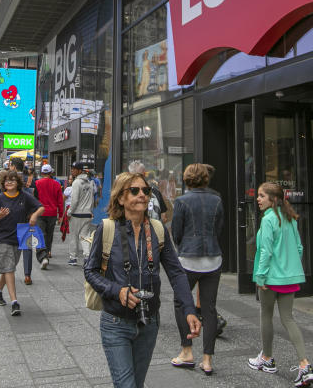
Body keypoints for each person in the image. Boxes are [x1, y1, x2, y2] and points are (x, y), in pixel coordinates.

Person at [84, 171, 202, 388]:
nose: (142, 195)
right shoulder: (107, 228)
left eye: (146, 191)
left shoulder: (157, 230)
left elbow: (176, 272)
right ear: (121, 198)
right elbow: (90, 271)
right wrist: (116, 291)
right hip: (115, 322)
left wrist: (189, 309)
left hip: (149, 323)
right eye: (135, 191)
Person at [247, 182, 313, 387]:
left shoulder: (268, 220)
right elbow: (299, 247)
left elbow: (266, 252)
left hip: (270, 278)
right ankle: (304, 364)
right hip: (290, 277)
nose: (258, 199)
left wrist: (260, 276)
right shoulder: (290, 219)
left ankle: (267, 359)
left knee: (266, 315)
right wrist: (290, 267)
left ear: (273, 199)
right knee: (288, 318)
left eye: (262, 196)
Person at [170, 163, 224, 375]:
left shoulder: (182, 201)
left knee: (181, 302)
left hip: (188, 260)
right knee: (209, 309)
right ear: (205, 178)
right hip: (213, 259)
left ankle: (187, 351)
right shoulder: (217, 199)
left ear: (186, 179)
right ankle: (208, 360)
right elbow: (219, 229)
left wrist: (183, 247)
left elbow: (176, 232)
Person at [0, 169, 43, 316]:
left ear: (18, 183)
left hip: (20, 236)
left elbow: (41, 207)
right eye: (7, 180)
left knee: (8, 267)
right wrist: (0, 215)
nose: (10, 182)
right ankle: (14, 302)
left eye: (13, 180)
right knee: (10, 268)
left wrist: (34, 215)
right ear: (3, 183)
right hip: (3, 237)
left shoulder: (25, 196)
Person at [9, 157, 35, 283]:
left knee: (9, 246)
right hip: (26, 216)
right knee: (27, 246)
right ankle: (27, 275)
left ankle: (9, 273)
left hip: (12, 217)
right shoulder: (30, 179)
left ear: (13, 166)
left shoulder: (9, 179)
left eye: (10, 166)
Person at [34, 163, 64, 269]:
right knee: (49, 235)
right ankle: (47, 253)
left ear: (42, 173)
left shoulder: (37, 183)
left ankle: (43, 257)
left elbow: (34, 199)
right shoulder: (56, 184)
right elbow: (60, 201)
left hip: (40, 212)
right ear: (51, 173)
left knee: (40, 235)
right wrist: (61, 215)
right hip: (52, 213)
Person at [67, 161, 96, 265]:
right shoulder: (89, 182)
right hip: (87, 214)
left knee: (73, 236)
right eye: (72, 168)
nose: (72, 170)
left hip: (76, 214)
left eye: (74, 169)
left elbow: (74, 200)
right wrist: (91, 211)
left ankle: (73, 258)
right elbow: (92, 199)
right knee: (85, 237)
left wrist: (69, 212)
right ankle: (87, 257)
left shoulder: (76, 183)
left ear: (80, 171)